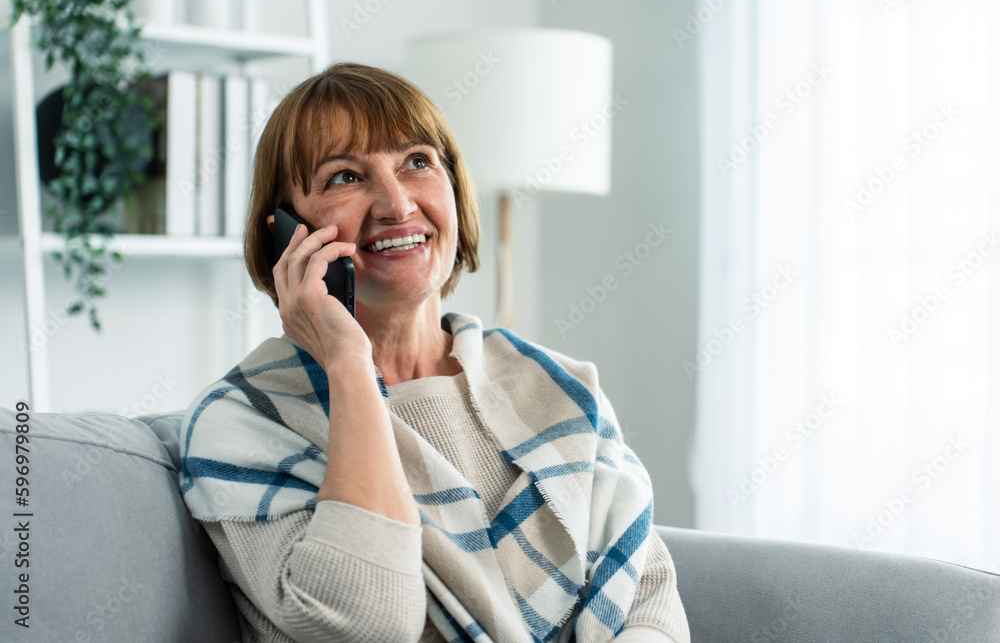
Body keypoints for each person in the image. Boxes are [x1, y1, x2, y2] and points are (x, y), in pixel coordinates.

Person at [179, 62, 690, 643]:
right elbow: (369, 624)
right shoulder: (242, 422)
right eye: (345, 177)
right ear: (288, 234)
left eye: (417, 162)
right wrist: (348, 365)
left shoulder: (561, 387)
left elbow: (649, 600)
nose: (396, 205)